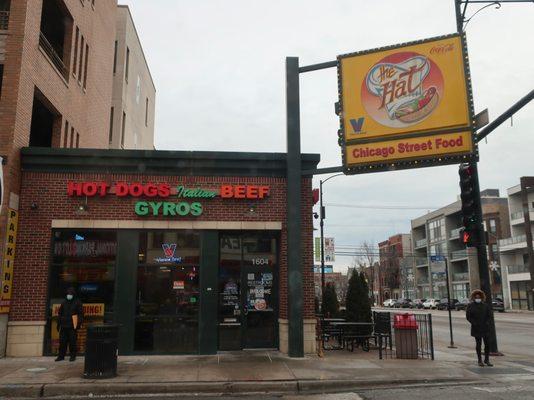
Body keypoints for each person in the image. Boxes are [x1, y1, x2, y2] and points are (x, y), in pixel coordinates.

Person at [466, 289, 493, 367]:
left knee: (487, 344)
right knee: (478, 344)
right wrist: (474, 323)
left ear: (482, 297)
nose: (478, 298)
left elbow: (489, 315)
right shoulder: (470, 306)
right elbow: (468, 316)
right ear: (474, 298)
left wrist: (487, 323)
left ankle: (487, 359)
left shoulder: (485, 306)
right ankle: (479, 360)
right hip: (476, 328)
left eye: (479, 297)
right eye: (476, 297)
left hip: (485, 328)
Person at [56, 287, 83, 362]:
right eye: (68, 294)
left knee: (72, 342)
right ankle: (61, 356)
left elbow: (80, 314)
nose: (69, 295)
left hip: (72, 326)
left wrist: (78, 324)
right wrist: (58, 324)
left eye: (70, 294)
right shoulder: (64, 302)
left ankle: (72, 356)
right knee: (62, 342)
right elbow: (60, 314)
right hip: (64, 326)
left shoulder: (77, 303)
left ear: (73, 295)